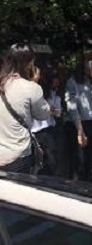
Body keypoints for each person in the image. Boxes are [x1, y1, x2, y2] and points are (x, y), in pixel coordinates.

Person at [0, 43, 51, 173]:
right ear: (28, 63)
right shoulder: (31, 88)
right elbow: (42, 114)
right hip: (18, 155)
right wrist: (34, 83)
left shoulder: (2, 83)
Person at [64, 49, 92, 182]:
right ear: (84, 63)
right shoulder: (74, 81)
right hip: (81, 123)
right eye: (90, 60)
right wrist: (80, 130)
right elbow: (72, 107)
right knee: (80, 161)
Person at [32, 69, 63, 176]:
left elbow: (57, 112)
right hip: (34, 131)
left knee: (52, 160)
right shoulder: (33, 91)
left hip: (48, 129)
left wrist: (54, 111)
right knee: (37, 161)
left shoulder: (51, 93)